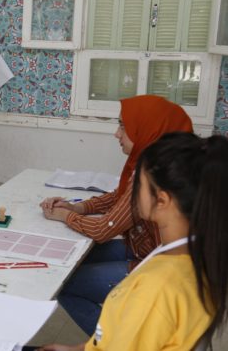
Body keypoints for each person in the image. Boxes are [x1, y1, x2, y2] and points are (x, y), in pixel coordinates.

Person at [38, 132, 228, 350]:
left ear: (161, 200)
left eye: (138, 183)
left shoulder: (153, 290)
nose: (131, 189)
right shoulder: (198, 253)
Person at [39, 95, 193, 335]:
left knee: (64, 283)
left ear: (147, 128)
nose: (116, 134)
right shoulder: (157, 162)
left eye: (123, 125)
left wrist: (63, 216)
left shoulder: (156, 175)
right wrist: (78, 208)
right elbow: (119, 197)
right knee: (74, 258)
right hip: (143, 248)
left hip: (157, 267)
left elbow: (102, 230)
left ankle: (115, 340)